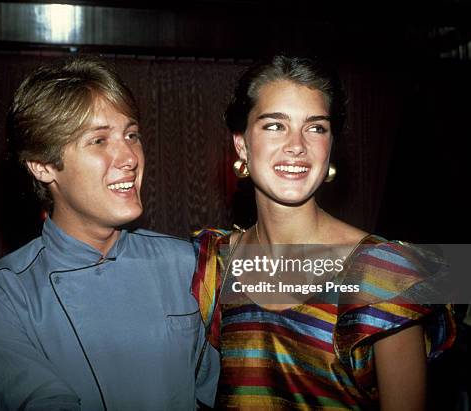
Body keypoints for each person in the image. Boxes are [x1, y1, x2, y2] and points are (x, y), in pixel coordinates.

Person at [192, 55, 455, 410]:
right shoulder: (212, 263)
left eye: (316, 127)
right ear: (241, 144)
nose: (297, 145)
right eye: (274, 125)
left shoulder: (385, 274)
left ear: (330, 146)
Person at [0, 57, 218, 411]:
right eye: (99, 140)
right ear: (43, 165)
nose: (129, 156)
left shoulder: (190, 263)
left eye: (131, 135)